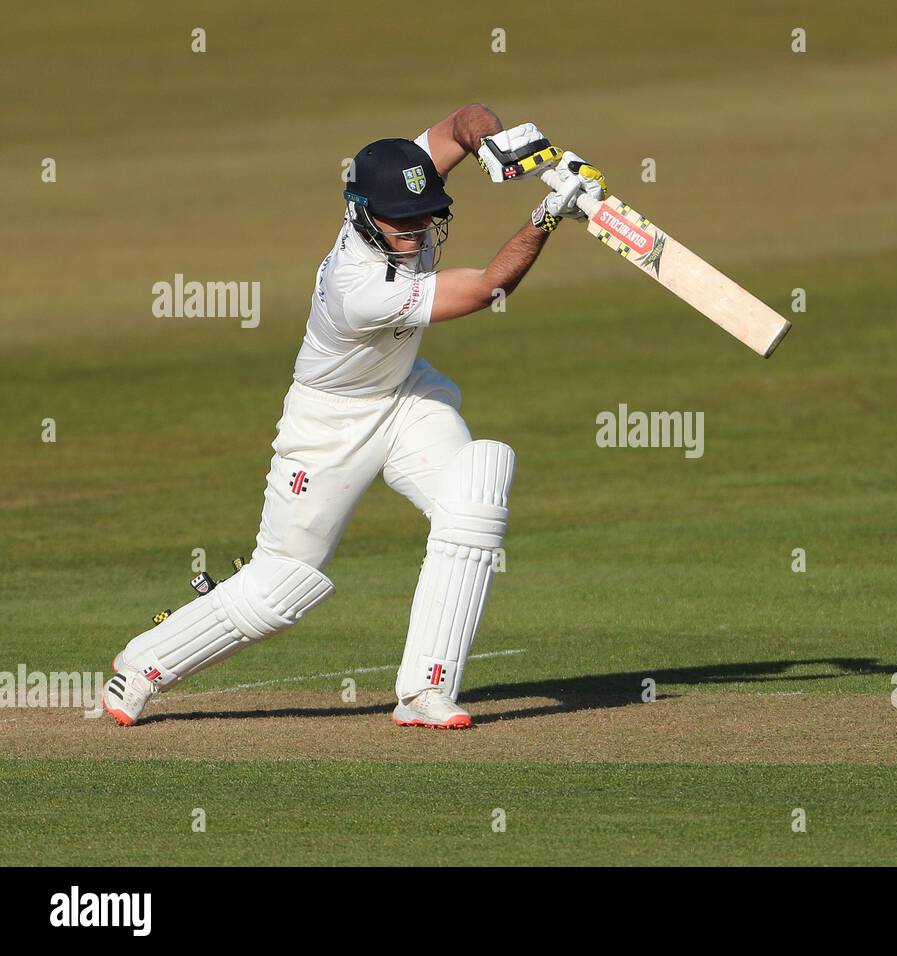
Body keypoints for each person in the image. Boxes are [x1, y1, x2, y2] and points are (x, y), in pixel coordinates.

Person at [101, 104, 604, 730]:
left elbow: (461, 121)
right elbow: (485, 289)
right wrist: (547, 215)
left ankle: (426, 692)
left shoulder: (398, 181)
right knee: (283, 584)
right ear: (363, 213)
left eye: (427, 214)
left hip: (405, 398)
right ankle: (146, 661)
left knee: (477, 487)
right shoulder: (359, 287)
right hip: (328, 425)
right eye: (402, 220)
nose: (417, 229)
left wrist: (499, 148)